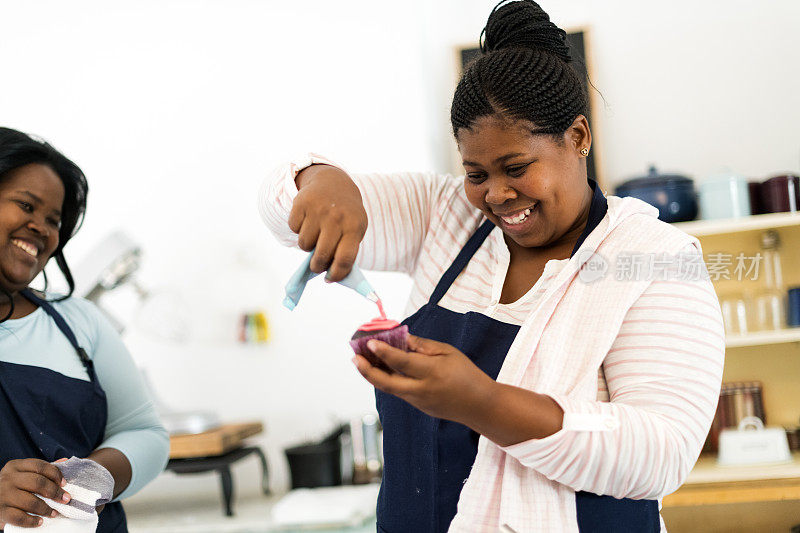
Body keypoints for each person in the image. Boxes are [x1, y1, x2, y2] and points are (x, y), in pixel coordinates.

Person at [259, 1, 724, 531]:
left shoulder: (652, 258)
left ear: (577, 138)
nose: (497, 194)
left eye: (517, 167)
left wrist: (483, 402)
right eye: (476, 172)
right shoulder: (446, 215)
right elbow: (280, 209)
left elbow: (661, 454)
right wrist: (322, 181)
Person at [0, 127, 169, 532]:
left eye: (53, 220)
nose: (42, 228)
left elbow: (144, 432)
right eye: (26, 205)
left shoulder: (78, 323)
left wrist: (93, 478)